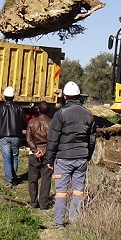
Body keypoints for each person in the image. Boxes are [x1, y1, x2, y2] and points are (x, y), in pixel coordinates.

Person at [45, 81, 96, 229]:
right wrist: (88, 156)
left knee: (61, 191)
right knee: (78, 191)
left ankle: (59, 222)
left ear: (65, 97)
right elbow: (91, 139)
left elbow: (53, 139)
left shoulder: (60, 114)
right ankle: (75, 220)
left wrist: (49, 158)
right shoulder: (89, 114)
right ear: (79, 96)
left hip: (63, 158)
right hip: (81, 158)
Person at [0, 85, 26, 187]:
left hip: (4, 137)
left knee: (6, 158)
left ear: (4, 96)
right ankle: (13, 178)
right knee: (15, 157)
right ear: (14, 96)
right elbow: (24, 122)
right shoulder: (19, 108)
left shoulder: (0, 108)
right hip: (16, 137)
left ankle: (9, 180)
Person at [25, 101, 53, 209]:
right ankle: (43, 204)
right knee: (46, 179)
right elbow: (53, 140)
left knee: (32, 178)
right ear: (49, 110)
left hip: (34, 154)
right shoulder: (52, 123)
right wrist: (44, 151)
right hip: (48, 154)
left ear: (38, 110)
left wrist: (36, 150)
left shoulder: (32, 122)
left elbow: (28, 138)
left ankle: (33, 202)